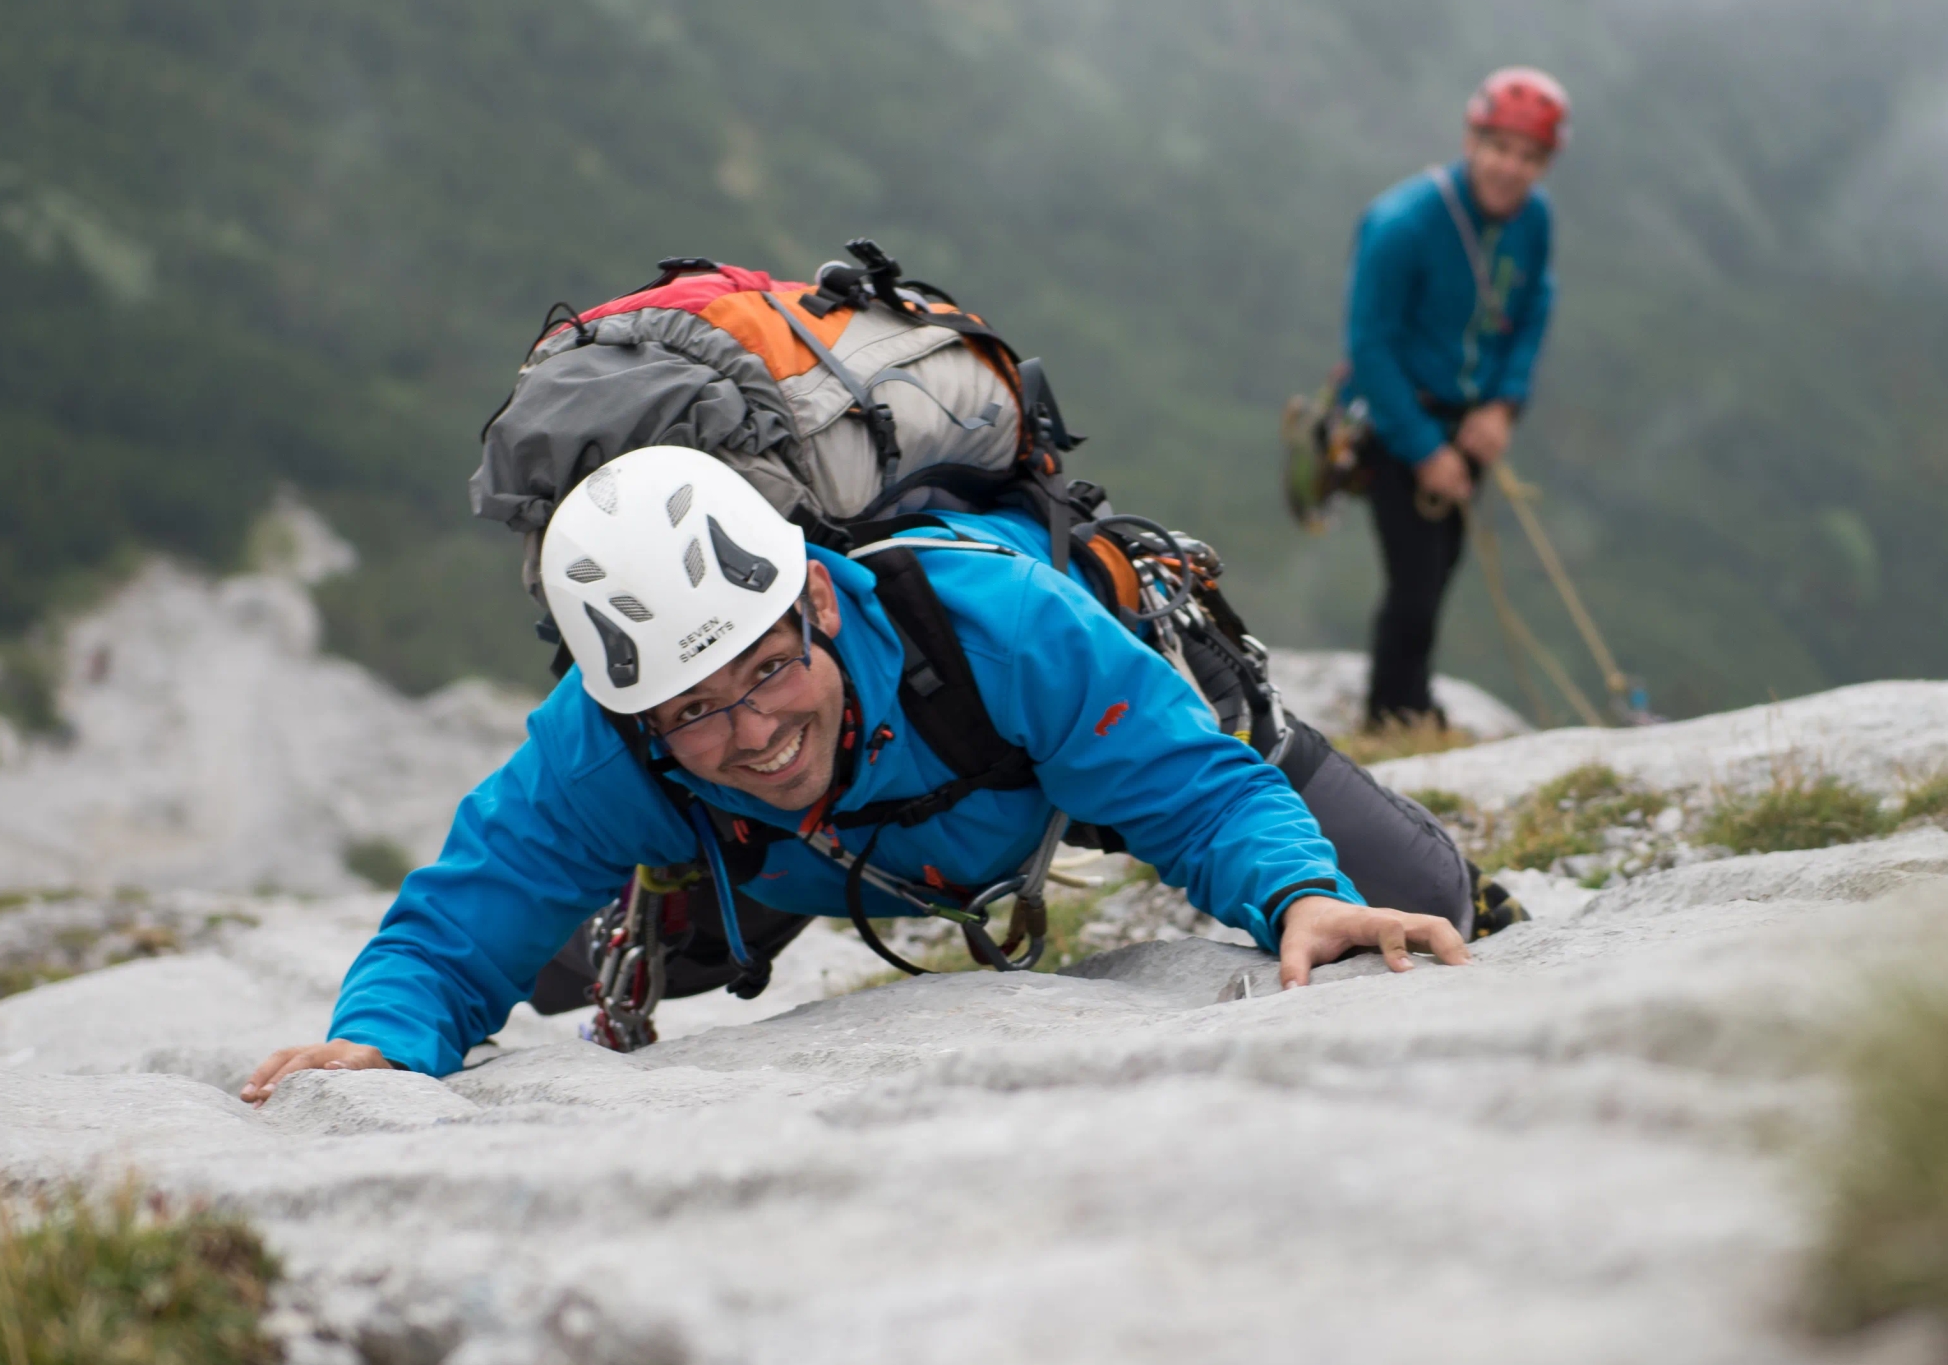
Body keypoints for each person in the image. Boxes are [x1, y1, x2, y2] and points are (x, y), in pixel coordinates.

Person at [243, 448, 1473, 1099]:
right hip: (783, 857)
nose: (753, 729)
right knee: (557, 972)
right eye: (697, 710)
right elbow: (461, 915)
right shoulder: (605, 740)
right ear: (636, 715)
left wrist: (1299, 896)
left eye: (769, 669)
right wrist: (388, 1041)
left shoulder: (992, 623)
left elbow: (1195, 792)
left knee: (1417, 905)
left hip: (1034, 767)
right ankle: (654, 906)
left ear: (819, 595)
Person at [1343, 67, 1566, 728]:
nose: (1512, 168)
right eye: (1501, 148)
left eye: (1529, 157)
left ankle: (1408, 706)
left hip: (1469, 426)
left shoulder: (1535, 220)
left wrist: (1504, 404)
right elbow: (1370, 347)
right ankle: (1395, 713)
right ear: (1472, 140)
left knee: (1439, 570)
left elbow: (1533, 308)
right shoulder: (1401, 225)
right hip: (1395, 421)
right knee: (1415, 585)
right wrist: (1421, 447)